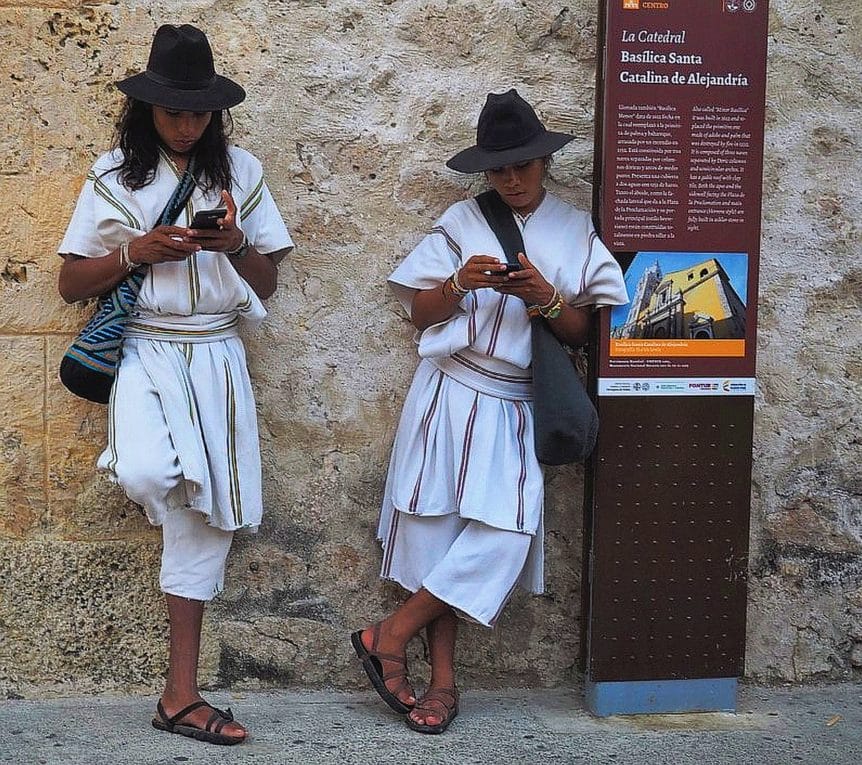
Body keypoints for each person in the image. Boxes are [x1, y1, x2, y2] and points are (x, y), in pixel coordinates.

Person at [351, 89, 628, 734]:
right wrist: (457, 285)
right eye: (498, 169)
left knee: (506, 530)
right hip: (449, 391)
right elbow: (417, 311)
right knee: (436, 532)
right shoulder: (460, 224)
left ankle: (386, 635)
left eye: (523, 166)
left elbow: (585, 331)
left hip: (513, 401)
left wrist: (547, 299)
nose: (511, 179)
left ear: (544, 162)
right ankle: (442, 684)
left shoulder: (572, 228)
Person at [57, 24, 293, 745]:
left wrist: (237, 244)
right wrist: (136, 250)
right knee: (147, 469)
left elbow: (269, 282)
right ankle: (184, 503)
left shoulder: (241, 172)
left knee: (203, 519)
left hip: (216, 357)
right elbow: (70, 282)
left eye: (199, 113)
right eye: (174, 112)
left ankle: (179, 694)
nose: (188, 125)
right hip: (146, 352)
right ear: (148, 108)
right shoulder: (113, 175)